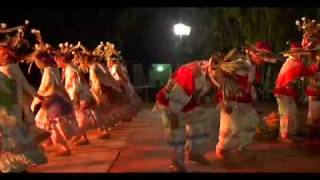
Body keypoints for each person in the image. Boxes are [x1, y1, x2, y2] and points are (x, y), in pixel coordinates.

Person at [154, 54, 230, 172]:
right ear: (213, 68)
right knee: (176, 133)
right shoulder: (192, 74)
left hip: (188, 101)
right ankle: (176, 163)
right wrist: (174, 117)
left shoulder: (211, 70)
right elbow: (174, 97)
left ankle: (194, 153)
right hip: (170, 104)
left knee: (202, 121)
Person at [214, 42, 275, 161]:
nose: (264, 61)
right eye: (263, 57)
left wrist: (252, 100)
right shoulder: (240, 62)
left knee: (251, 121)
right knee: (232, 126)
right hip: (230, 99)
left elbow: (249, 85)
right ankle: (222, 148)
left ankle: (241, 146)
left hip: (244, 99)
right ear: (254, 54)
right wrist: (225, 100)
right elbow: (224, 77)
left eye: (266, 58)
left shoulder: (252, 66)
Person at [0, 46, 47, 173]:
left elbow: (8, 93)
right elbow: (22, 85)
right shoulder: (12, 68)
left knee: (12, 147)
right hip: (14, 107)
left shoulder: (6, 70)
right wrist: (35, 95)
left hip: (9, 111)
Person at [274, 42, 318, 143]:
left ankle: (290, 133)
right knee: (286, 114)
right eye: (297, 53)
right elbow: (310, 72)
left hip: (287, 90)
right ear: (292, 53)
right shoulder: (295, 63)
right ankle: (283, 135)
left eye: (300, 53)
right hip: (282, 91)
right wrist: (316, 65)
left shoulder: (293, 62)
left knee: (292, 112)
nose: (299, 55)